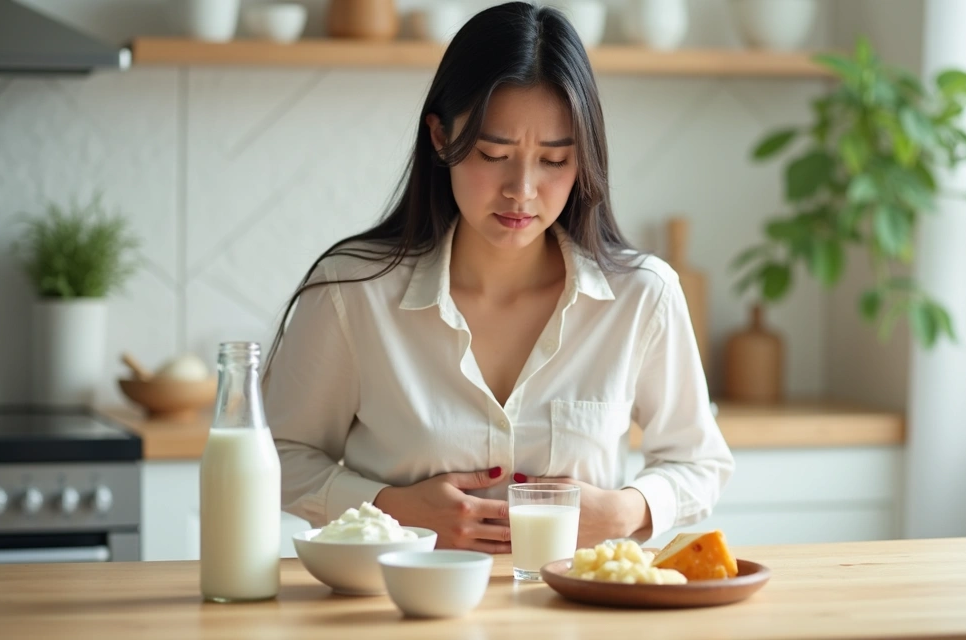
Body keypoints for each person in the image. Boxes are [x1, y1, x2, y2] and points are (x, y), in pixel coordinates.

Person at [264, 1, 733, 554]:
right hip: (397, 600)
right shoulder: (353, 292)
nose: (522, 190)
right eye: (493, 154)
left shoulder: (641, 296)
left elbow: (699, 462)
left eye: (554, 161)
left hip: (576, 601)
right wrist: (392, 508)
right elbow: (279, 457)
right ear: (441, 137)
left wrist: (624, 511)